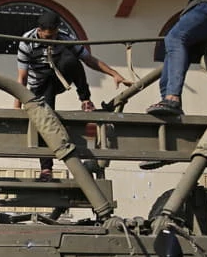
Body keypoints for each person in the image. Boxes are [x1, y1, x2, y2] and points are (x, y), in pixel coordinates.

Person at [15, 9, 128, 181]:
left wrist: (114, 74)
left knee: (71, 59)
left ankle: (85, 100)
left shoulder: (65, 37)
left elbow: (89, 60)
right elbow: (21, 78)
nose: (51, 40)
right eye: (47, 38)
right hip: (40, 85)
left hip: (59, 78)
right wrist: (17, 107)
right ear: (39, 30)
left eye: (53, 36)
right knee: (45, 121)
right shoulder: (27, 42)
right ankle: (46, 169)